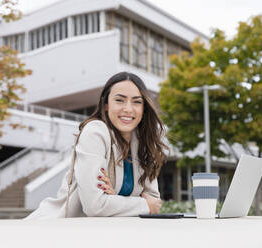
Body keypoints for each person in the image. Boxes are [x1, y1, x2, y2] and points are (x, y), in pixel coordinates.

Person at [25, 72, 168, 219]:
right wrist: (142, 205)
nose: (128, 109)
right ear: (106, 104)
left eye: (137, 102)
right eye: (120, 100)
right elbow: (95, 206)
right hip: (55, 229)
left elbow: (154, 202)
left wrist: (114, 197)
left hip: (106, 234)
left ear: (144, 108)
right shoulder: (95, 132)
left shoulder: (143, 142)